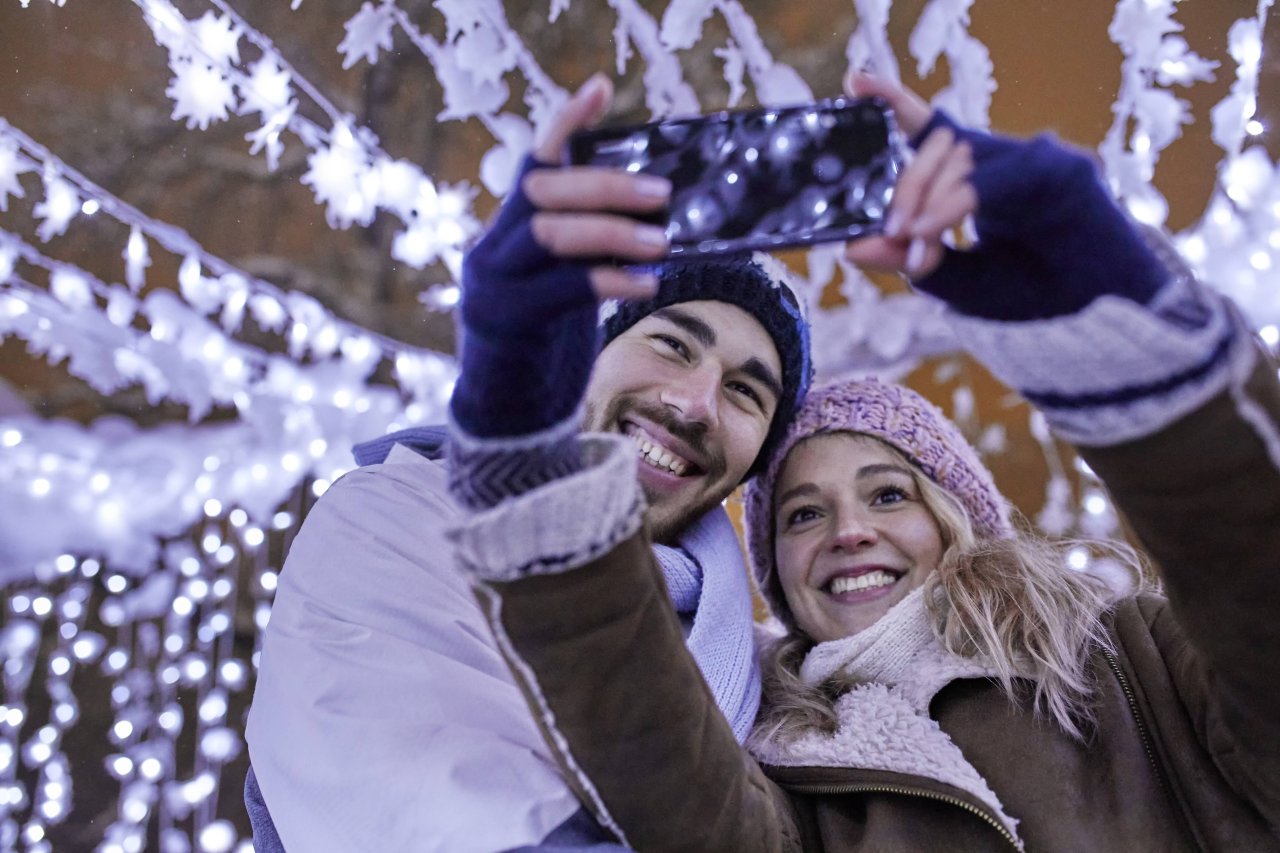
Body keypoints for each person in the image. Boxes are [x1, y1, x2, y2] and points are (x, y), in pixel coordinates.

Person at [447, 73, 1280, 850]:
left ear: (958, 518)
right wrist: (520, 411)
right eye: (803, 513)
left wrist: (1131, 329)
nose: (849, 531)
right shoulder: (781, 767)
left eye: (888, 493)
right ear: (772, 567)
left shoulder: (1134, 659)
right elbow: (639, 735)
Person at [242, 73, 812, 852]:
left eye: (747, 391)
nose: (694, 404)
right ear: (587, 348)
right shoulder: (393, 519)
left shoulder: (752, 658)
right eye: (672, 342)